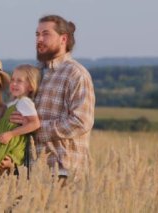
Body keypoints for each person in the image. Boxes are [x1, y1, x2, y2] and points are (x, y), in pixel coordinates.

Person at [11, 15, 95, 183]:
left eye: (46, 34)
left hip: (63, 171)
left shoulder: (76, 74)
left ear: (63, 39)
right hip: (30, 171)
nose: (39, 39)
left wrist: (35, 128)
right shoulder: (34, 73)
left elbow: (81, 122)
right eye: (37, 35)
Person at [0, 64, 41, 180]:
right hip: (2, 145)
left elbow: (35, 123)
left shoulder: (25, 102)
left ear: (30, 87)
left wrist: (11, 134)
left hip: (9, 146)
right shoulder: (14, 103)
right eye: (13, 80)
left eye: (19, 81)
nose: (14, 84)